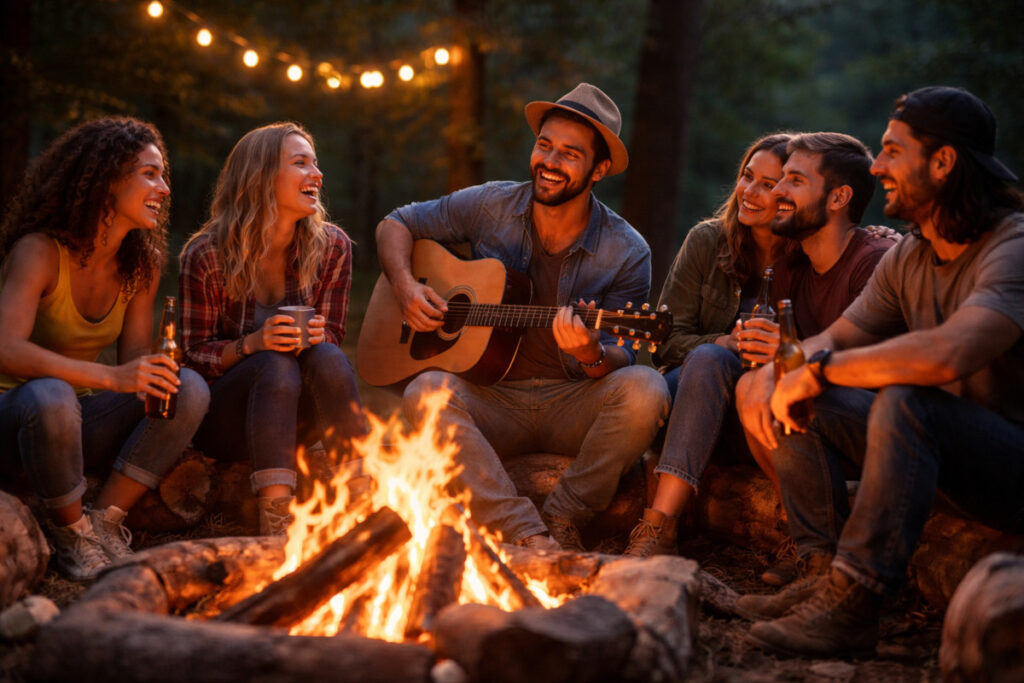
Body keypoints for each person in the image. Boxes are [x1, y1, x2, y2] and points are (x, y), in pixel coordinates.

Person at [740, 86, 1024, 657]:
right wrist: (777, 375)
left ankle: (856, 603)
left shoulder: (1011, 246)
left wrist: (819, 369)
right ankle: (821, 575)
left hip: (1009, 465)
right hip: (940, 459)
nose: (877, 166)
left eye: (893, 151)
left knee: (903, 398)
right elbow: (833, 339)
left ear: (942, 162)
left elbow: (949, 353)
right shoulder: (911, 255)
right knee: (804, 396)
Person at [376, 83, 669, 551]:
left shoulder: (628, 250)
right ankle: (522, 531)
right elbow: (396, 222)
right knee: (425, 391)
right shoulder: (491, 205)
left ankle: (564, 515)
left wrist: (591, 355)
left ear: (600, 169)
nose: (550, 162)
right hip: (491, 399)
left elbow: (624, 357)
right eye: (544, 145)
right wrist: (406, 286)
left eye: (570, 154)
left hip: (573, 404)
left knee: (647, 390)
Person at [626, 132, 893, 569]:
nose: (756, 191)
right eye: (749, 177)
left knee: (759, 384)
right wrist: (728, 343)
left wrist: (782, 357)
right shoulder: (720, 245)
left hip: (817, 412)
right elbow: (666, 341)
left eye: (779, 183)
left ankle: (807, 544)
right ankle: (659, 527)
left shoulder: (815, 256)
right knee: (718, 363)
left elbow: (866, 357)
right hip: (702, 390)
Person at [0, 117, 210, 580]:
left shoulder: (142, 265)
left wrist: (154, 373)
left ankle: (104, 521)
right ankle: (71, 533)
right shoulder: (39, 251)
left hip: (78, 420)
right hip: (16, 418)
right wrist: (111, 378)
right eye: (149, 174)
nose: (165, 188)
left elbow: (134, 369)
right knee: (52, 394)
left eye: (164, 175)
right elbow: (6, 349)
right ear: (108, 179)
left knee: (187, 387)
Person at [179, 122, 366, 536]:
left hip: (298, 418)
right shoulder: (206, 254)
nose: (316, 174)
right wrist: (252, 345)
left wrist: (313, 337)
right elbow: (190, 356)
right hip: (227, 421)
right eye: (300, 164)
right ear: (260, 176)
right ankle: (277, 518)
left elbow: (332, 335)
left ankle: (359, 498)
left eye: (315, 164)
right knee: (273, 366)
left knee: (329, 355)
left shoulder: (332, 246)